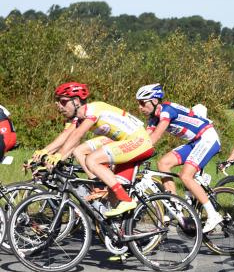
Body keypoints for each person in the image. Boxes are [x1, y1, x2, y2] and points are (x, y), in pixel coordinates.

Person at [32, 82, 154, 217]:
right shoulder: (79, 118)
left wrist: (58, 155)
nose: (60, 106)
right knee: (112, 194)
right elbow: (67, 136)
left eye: (63, 101)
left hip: (139, 141)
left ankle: (123, 198)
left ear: (76, 101)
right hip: (124, 141)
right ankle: (118, 230)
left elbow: (78, 134)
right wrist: (45, 153)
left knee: (92, 159)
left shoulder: (92, 110)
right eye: (58, 102)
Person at [135, 84, 223, 233]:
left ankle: (213, 215)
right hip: (195, 142)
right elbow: (144, 138)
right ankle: (174, 205)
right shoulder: (153, 118)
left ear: (155, 101)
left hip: (207, 137)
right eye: (138, 103)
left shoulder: (167, 111)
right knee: (163, 163)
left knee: (185, 175)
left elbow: (156, 136)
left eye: (143, 103)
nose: (139, 107)